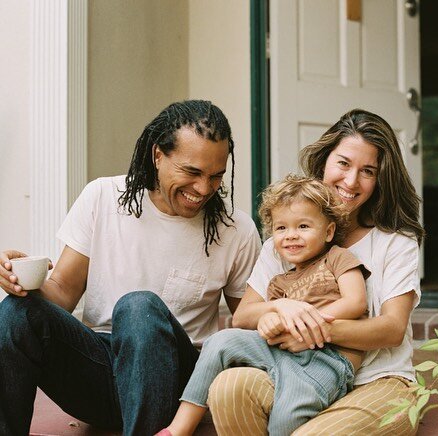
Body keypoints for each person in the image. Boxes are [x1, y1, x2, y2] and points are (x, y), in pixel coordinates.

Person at [0, 100, 261, 436]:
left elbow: (247, 324)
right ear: (157, 156)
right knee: (17, 311)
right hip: (99, 373)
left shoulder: (235, 229)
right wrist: (18, 280)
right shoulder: (102, 197)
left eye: (216, 176)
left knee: (138, 307)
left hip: (179, 386)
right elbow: (62, 291)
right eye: (192, 172)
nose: (204, 188)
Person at [207, 109, 425, 435]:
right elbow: (244, 316)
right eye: (343, 164)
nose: (351, 181)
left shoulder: (395, 242)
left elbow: (392, 329)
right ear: (324, 161)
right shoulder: (288, 237)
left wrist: (307, 331)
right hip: (296, 370)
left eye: (368, 171)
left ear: (381, 179)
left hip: (381, 379)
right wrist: (282, 307)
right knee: (229, 387)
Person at [158, 174, 370, 436]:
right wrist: (269, 322)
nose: (291, 236)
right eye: (282, 228)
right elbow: (263, 319)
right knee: (220, 342)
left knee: (286, 417)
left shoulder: (338, 258)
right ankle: (179, 429)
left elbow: (356, 302)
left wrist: (306, 320)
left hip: (328, 360)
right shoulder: (279, 282)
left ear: (328, 231)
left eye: (303, 226)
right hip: (282, 353)